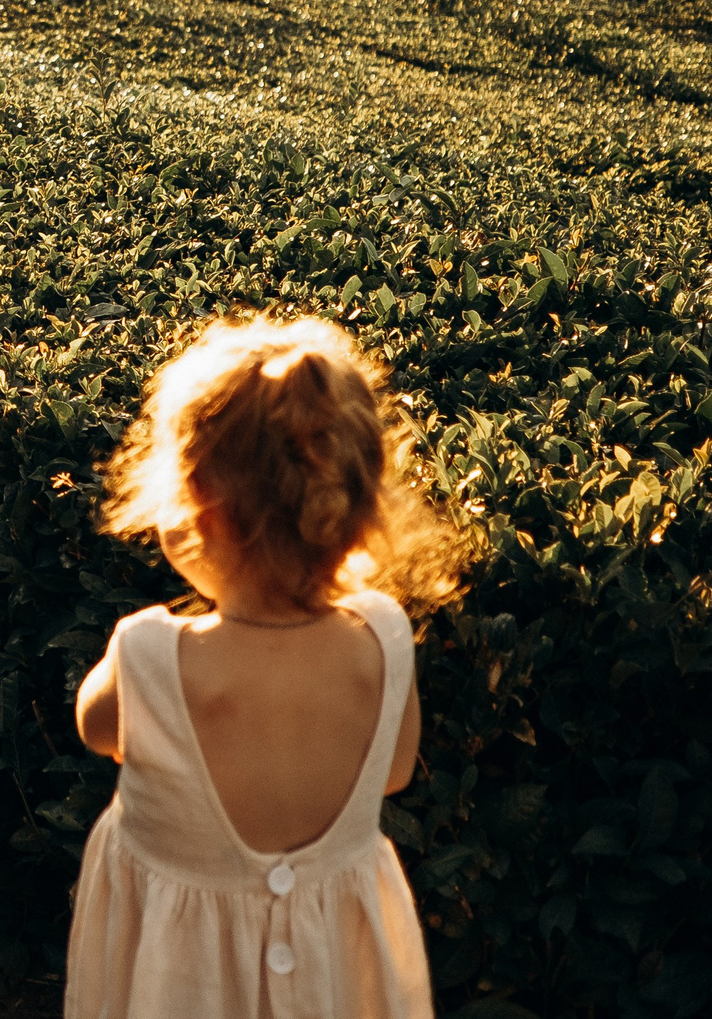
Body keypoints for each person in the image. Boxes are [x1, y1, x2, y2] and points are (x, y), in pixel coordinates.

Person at [65, 316, 460, 1019]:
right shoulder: (384, 641)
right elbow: (394, 770)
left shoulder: (151, 657)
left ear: (199, 508)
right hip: (333, 981)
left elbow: (96, 727)